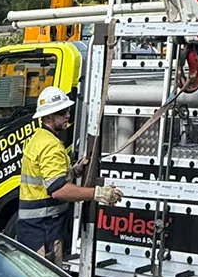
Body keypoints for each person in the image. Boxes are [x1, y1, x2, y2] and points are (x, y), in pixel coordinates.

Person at [18, 86, 123, 261]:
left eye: (68, 110)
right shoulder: (51, 146)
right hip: (44, 231)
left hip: (33, 229)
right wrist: (97, 193)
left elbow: (46, 178)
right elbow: (58, 190)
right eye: (62, 112)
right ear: (48, 117)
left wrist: (73, 171)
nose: (68, 115)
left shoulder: (39, 138)